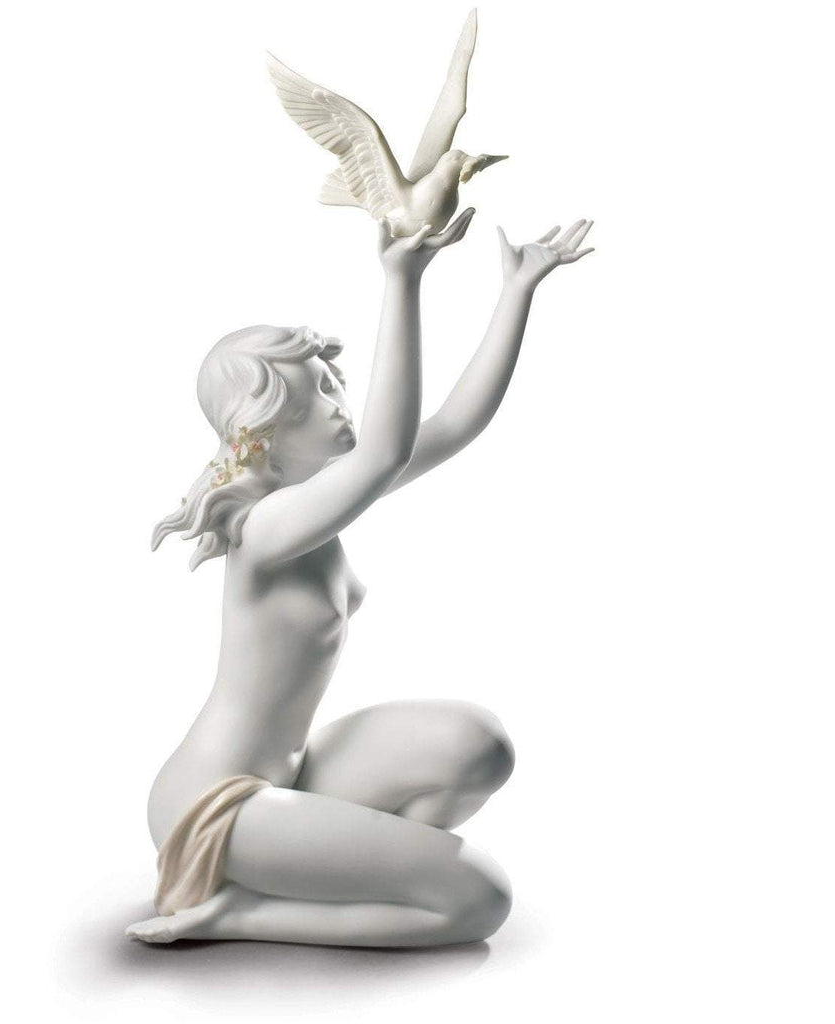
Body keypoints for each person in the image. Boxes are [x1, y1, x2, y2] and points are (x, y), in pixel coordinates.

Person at [128, 212, 594, 946]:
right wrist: (402, 280)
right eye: (312, 398)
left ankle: (358, 869)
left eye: (333, 384)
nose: (338, 404)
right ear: (263, 428)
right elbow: (385, 450)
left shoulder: (317, 502)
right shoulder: (267, 529)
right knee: (479, 902)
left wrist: (517, 289)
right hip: (218, 804)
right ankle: (237, 912)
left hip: (290, 774)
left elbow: (451, 425)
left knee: (479, 744)